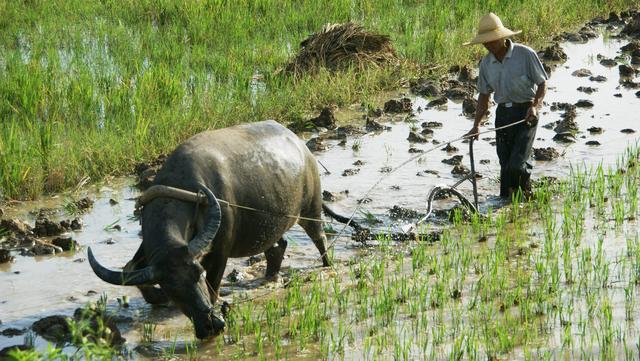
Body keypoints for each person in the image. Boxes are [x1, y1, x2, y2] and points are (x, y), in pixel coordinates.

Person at [464, 13, 547, 199]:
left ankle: (520, 197)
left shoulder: (525, 54)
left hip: (526, 112)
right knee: (505, 164)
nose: (488, 45)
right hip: (503, 115)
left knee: (517, 164)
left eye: (492, 40)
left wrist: (535, 106)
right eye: (485, 42)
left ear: (503, 37)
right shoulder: (486, 64)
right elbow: (484, 96)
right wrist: (477, 124)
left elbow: (542, 83)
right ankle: (513, 199)